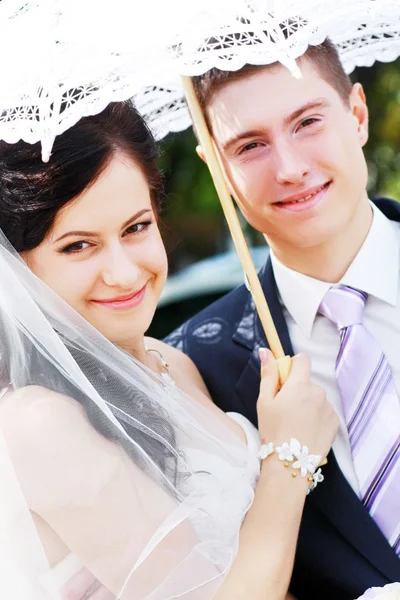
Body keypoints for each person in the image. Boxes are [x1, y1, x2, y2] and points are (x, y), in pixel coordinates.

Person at [0, 102, 338, 600]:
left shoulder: (171, 361)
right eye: (78, 246)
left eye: (136, 228)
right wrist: (290, 459)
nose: (124, 271)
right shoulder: (37, 422)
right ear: (19, 268)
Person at [165, 38, 400, 599]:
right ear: (215, 166)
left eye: (308, 122)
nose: (291, 169)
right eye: (250, 146)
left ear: (358, 115)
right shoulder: (193, 371)